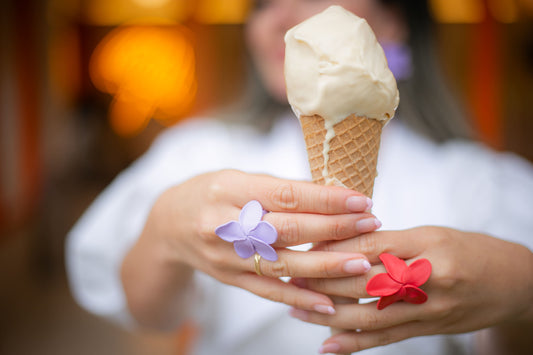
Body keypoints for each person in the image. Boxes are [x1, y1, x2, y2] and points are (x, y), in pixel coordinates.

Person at [66, 0, 533, 354]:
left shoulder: (474, 179)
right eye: (262, 1)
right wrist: (163, 231)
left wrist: (521, 287)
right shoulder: (196, 153)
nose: (279, 17)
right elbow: (148, 315)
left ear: (394, 23)